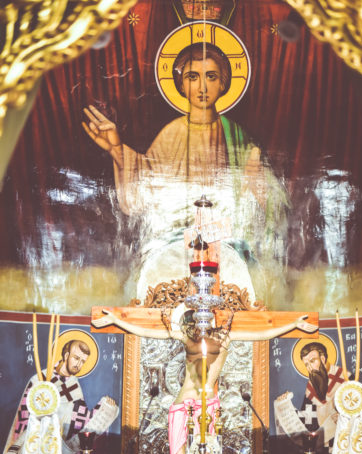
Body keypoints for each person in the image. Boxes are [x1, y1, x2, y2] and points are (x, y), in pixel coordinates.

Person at [82, 43, 288, 299]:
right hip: (175, 252)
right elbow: (141, 194)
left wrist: (258, 183)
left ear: (223, 83)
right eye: (192, 77)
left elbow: (276, 207)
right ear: (181, 85)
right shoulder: (171, 135)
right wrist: (116, 148)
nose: (202, 87)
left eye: (211, 76)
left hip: (228, 253)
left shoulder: (239, 139)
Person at [92, 306, 317, 454]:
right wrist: (117, 321)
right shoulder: (187, 338)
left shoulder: (224, 338)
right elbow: (146, 332)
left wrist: (293, 325)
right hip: (182, 406)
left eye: (207, 317)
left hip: (209, 407)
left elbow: (263, 334)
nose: (202, 322)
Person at [0, 339, 118, 454]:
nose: (78, 364)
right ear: (66, 355)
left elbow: (81, 423)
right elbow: (23, 419)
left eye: (83, 361)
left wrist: (104, 409)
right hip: (37, 453)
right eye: (76, 358)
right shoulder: (40, 380)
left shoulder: (74, 387)